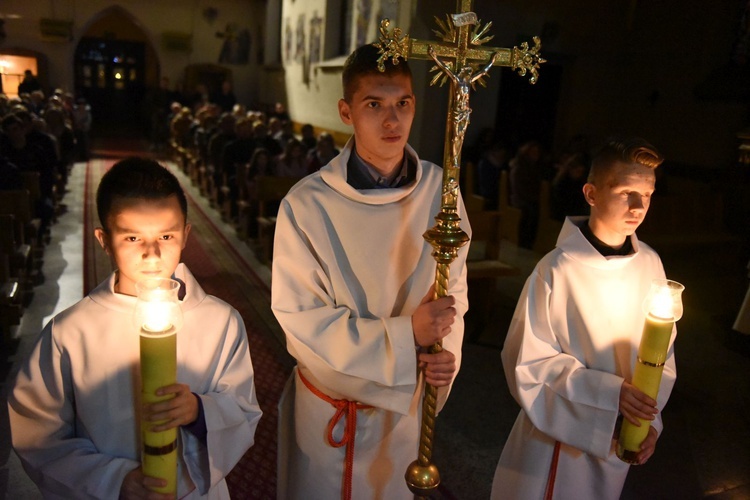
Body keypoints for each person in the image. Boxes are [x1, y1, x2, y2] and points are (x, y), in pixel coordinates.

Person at [271, 43, 469, 499]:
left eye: (403, 104)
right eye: (374, 105)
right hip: (329, 414)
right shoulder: (307, 204)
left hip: (405, 413)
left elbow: (452, 291)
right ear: (346, 110)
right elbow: (300, 319)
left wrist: (443, 356)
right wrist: (406, 337)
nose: (391, 120)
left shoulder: (443, 192)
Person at [8, 158, 262, 498]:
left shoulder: (220, 321)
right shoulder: (70, 332)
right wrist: (115, 480)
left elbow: (242, 411)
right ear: (104, 240)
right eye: (131, 237)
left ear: (186, 234)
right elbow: (37, 434)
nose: (152, 254)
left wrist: (199, 411)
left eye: (167, 235)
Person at [491, 137, 676, 500]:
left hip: (617, 438)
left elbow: (662, 358)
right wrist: (610, 394)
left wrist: (648, 422)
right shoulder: (556, 270)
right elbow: (526, 364)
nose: (639, 206)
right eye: (626, 191)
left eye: (647, 194)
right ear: (591, 194)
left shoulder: (651, 266)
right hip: (554, 439)